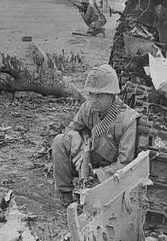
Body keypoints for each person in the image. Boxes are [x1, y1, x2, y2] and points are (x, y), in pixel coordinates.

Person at [51, 64, 139, 207]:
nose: (93, 99)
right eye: (91, 93)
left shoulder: (127, 121)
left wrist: (96, 174)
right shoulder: (88, 108)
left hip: (108, 174)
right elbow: (71, 128)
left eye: (99, 95)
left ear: (112, 94)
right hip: (85, 161)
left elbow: (125, 164)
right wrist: (75, 136)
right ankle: (66, 195)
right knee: (59, 141)